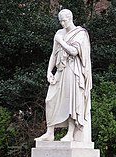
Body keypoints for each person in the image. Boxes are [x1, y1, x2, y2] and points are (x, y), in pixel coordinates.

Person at [35, 9, 92, 142]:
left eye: (64, 20)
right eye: (60, 21)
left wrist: (61, 41)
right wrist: (49, 71)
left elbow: (73, 51)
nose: (62, 23)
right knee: (50, 99)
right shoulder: (59, 33)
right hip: (60, 70)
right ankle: (50, 132)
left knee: (71, 100)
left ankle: (70, 133)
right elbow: (54, 54)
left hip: (73, 70)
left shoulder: (80, 33)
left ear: (70, 18)